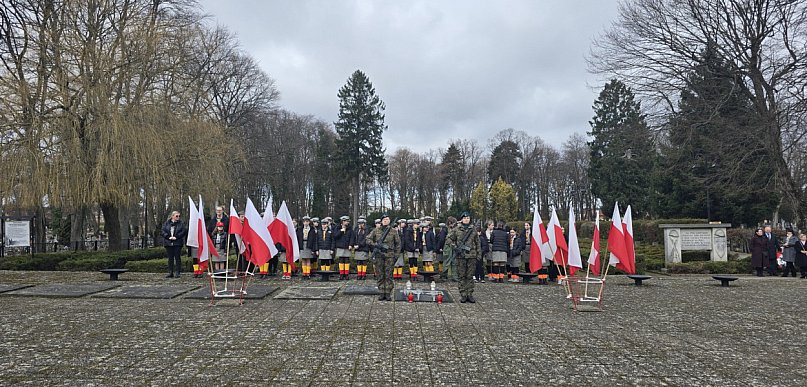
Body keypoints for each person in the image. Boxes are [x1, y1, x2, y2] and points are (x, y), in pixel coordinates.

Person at [447, 212, 481, 303]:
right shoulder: (456, 229)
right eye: (465, 218)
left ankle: (470, 294)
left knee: (470, 276)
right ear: (461, 219)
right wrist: (455, 247)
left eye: (468, 218)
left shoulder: (473, 230)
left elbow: (478, 243)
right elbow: (449, 239)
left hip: (471, 256)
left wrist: (479, 254)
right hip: (460, 256)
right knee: (461, 276)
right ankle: (463, 294)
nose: (466, 219)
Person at [366, 214, 401, 301]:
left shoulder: (393, 231)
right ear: (381, 221)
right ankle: (381, 292)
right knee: (380, 274)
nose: (386, 220)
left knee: (388, 275)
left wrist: (396, 256)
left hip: (389, 256)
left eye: (387, 219)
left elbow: (398, 244)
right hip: (379, 256)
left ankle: (388, 292)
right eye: (384, 219)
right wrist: (376, 245)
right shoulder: (376, 230)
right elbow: (368, 239)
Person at [161, 211, 187, 278]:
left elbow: (183, 231)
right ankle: (170, 272)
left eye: (179, 216)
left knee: (177, 257)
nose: (178, 217)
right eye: (176, 216)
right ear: (172, 216)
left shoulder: (181, 223)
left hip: (177, 242)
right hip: (168, 242)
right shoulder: (166, 223)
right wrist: (168, 237)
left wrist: (177, 237)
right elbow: (162, 231)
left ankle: (177, 272)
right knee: (170, 258)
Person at [334, 215, 354, 280]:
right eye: (346, 221)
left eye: (348, 221)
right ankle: (341, 274)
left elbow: (352, 237)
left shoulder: (350, 229)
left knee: (347, 260)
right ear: (342, 221)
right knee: (341, 260)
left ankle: (346, 274)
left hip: (347, 246)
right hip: (340, 246)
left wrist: (351, 244)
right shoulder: (337, 227)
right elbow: (335, 236)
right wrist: (341, 231)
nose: (347, 222)